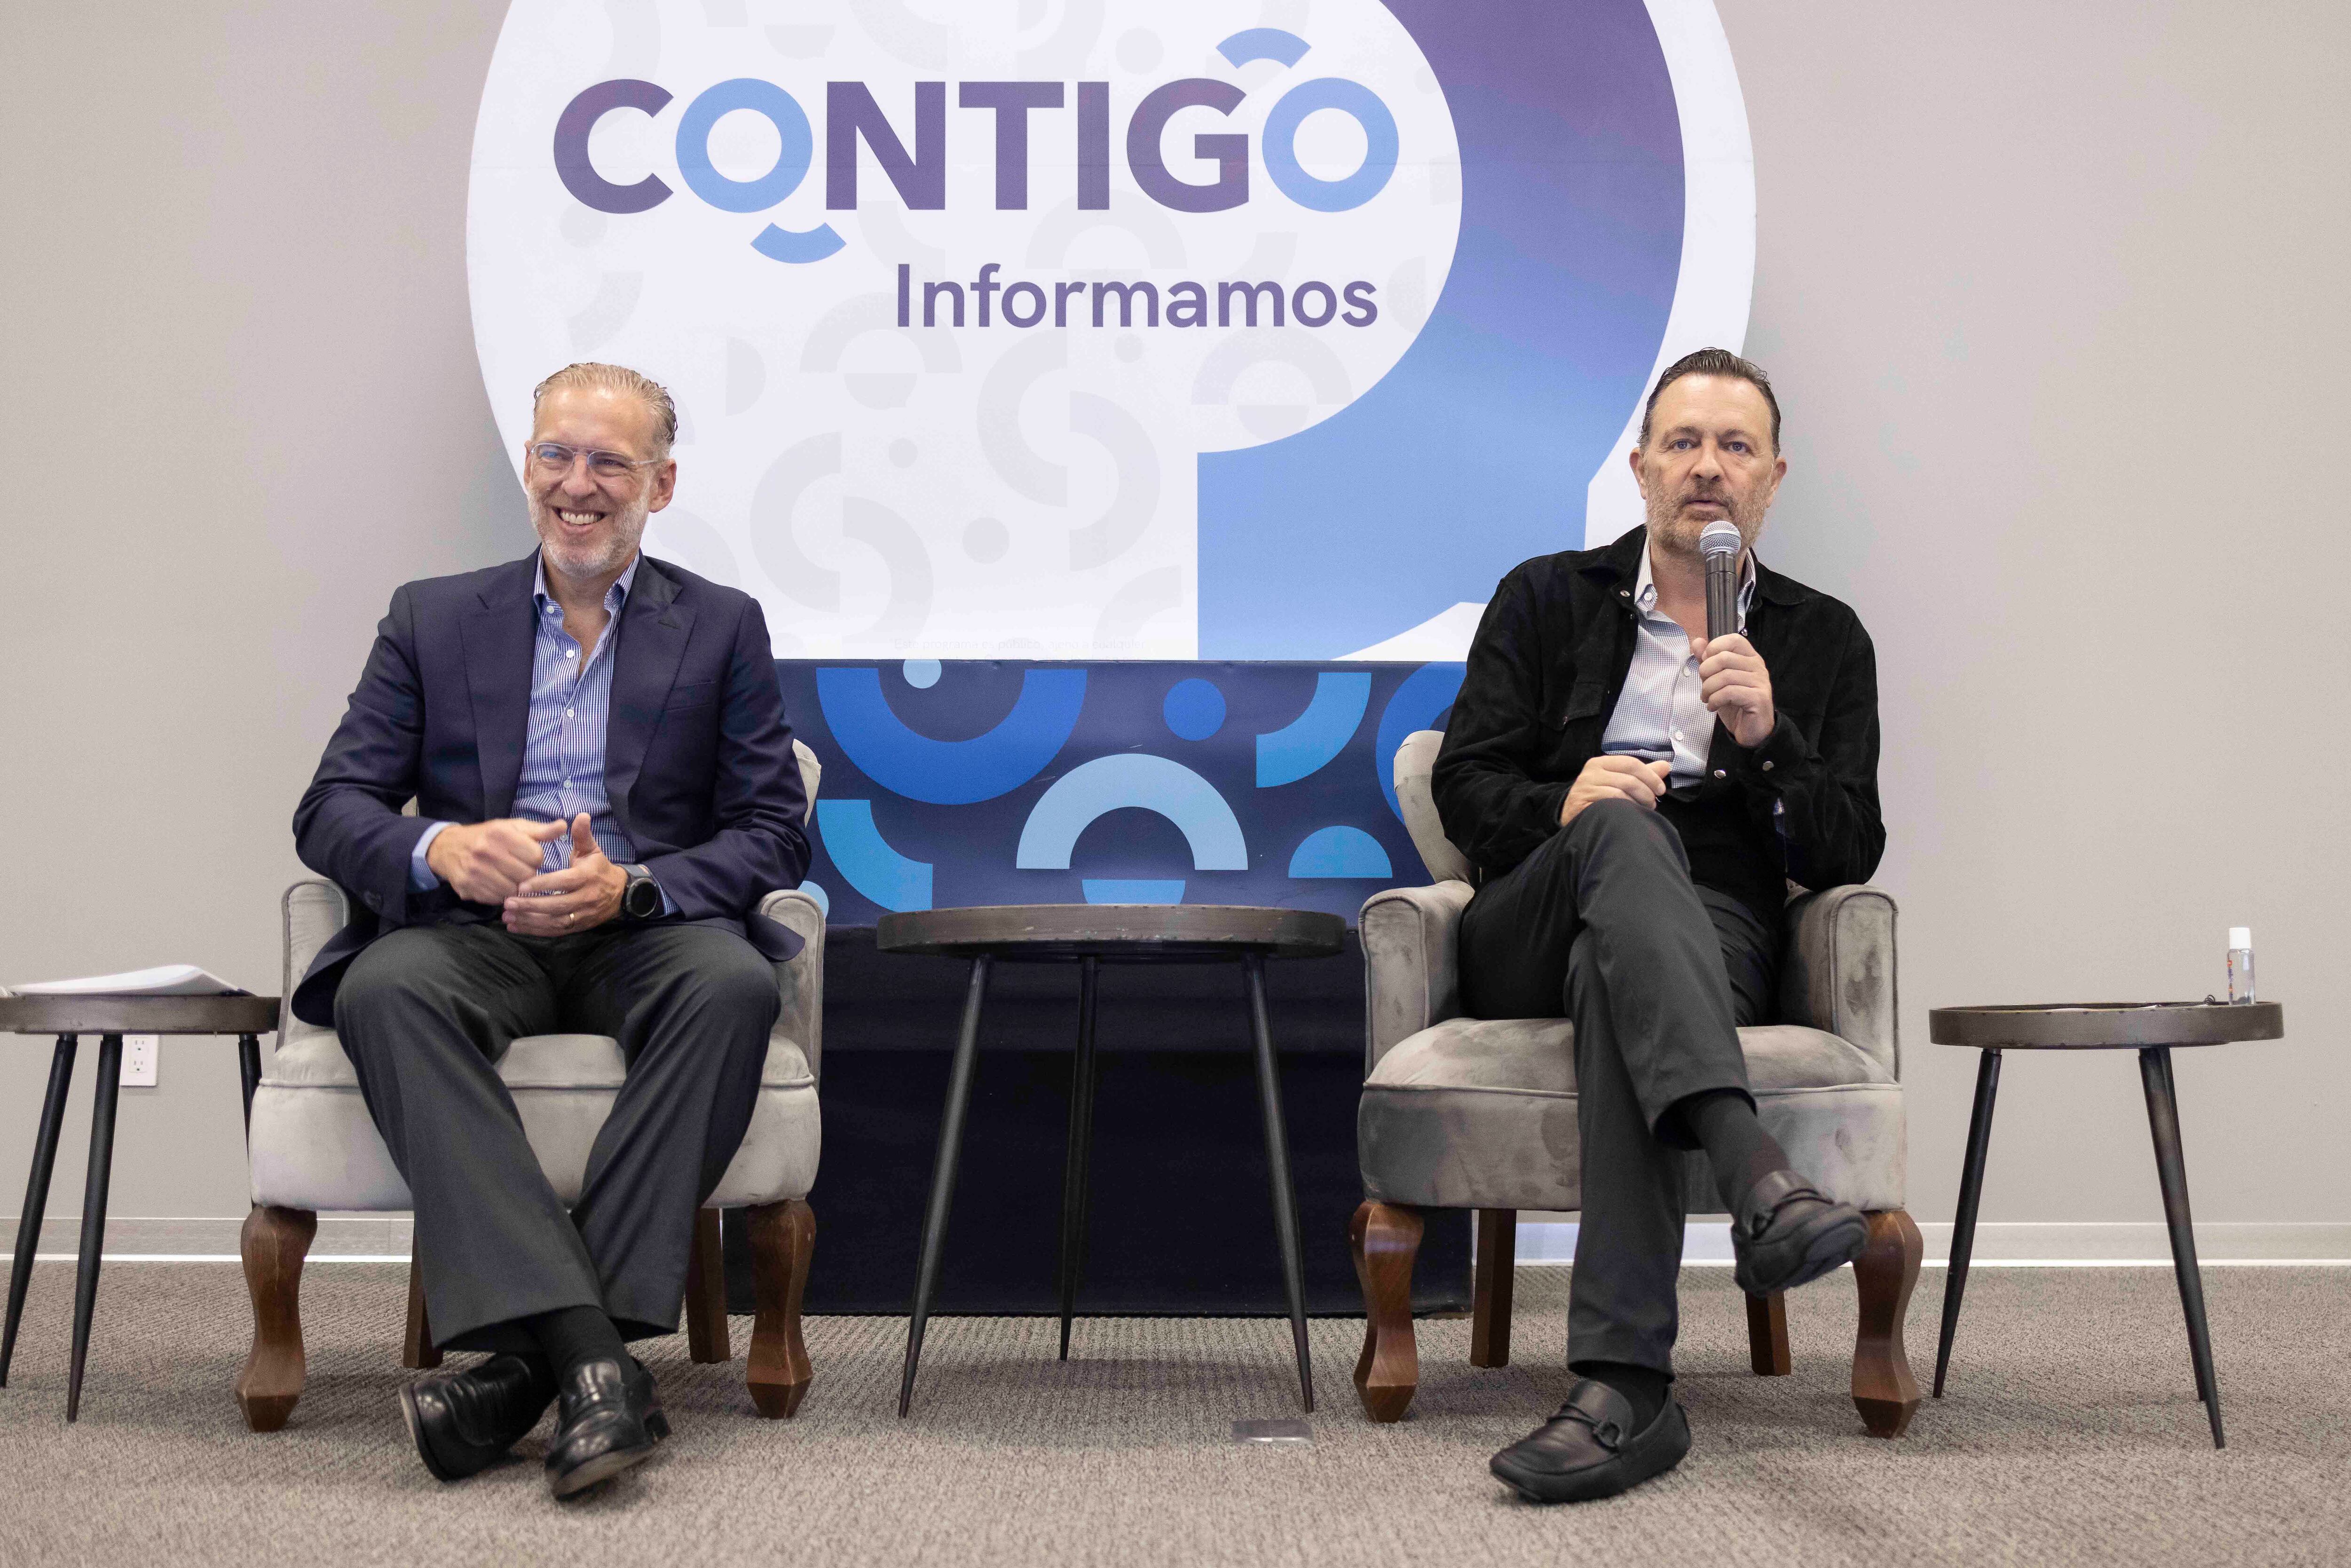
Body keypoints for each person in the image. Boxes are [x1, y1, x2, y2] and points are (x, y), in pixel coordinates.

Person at [290, 362, 810, 1497]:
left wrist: (636, 887)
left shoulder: (720, 626)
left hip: (642, 934)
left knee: (732, 984)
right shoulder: (431, 617)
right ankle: (592, 1359)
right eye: (556, 455)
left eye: (610, 462)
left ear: (660, 485)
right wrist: (441, 848)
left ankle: (524, 1372)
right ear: (527, 465)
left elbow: (776, 833)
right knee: (384, 986)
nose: (578, 485)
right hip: (475, 932)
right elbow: (330, 809)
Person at [1434, 349, 1884, 1503]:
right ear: (1639, 469)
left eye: (1735, 447)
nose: (1707, 468)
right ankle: (1755, 1174)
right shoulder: (1543, 597)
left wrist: (1773, 739)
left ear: (1773, 477)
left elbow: (1846, 851)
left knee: (1615, 973)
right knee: (1618, 835)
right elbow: (1464, 785)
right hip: (1537, 910)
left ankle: (1624, 1391)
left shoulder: (1823, 638)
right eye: (1683, 443)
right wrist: (1565, 803)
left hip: (1709, 934)